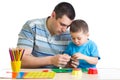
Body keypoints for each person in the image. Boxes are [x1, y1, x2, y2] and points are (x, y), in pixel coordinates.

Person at [17, 2, 77, 68]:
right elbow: (20, 60)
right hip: (34, 76)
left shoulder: (70, 36)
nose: (64, 30)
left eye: (68, 26)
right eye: (62, 24)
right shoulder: (32, 26)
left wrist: (71, 63)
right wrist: (51, 60)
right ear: (53, 15)